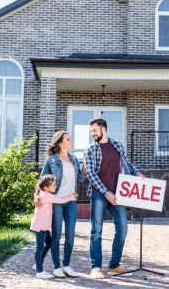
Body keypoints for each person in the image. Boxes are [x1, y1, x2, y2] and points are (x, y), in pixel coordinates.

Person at [86, 118, 145, 279]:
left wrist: (137, 173)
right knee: (96, 231)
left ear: (103, 129)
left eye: (94, 131)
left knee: (122, 229)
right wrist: (106, 193)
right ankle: (96, 267)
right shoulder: (91, 148)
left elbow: (126, 163)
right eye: (91, 131)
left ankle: (114, 265)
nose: (92, 134)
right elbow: (90, 174)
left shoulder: (117, 145)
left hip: (118, 193)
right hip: (99, 193)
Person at [40, 130, 86, 278]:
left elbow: (80, 179)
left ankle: (66, 265)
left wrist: (84, 162)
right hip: (57, 201)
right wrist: (38, 197)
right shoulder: (51, 160)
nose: (70, 141)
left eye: (70, 138)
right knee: (57, 235)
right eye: (67, 139)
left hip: (71, 202)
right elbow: (42, 181)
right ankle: (56, 267)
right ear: (60, 142)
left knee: (71, 235)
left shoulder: (73, 159)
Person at [30, 174, 76, 279]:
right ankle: (39, 271)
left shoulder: (43, 193)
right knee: (39, 247)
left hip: (43, 225)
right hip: (40, 226)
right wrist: (71, 196)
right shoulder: (46, 196)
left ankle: (38, 264)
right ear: (46, 187)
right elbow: (60, 200)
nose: (55, 187)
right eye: (53, 185)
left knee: (49, 243)